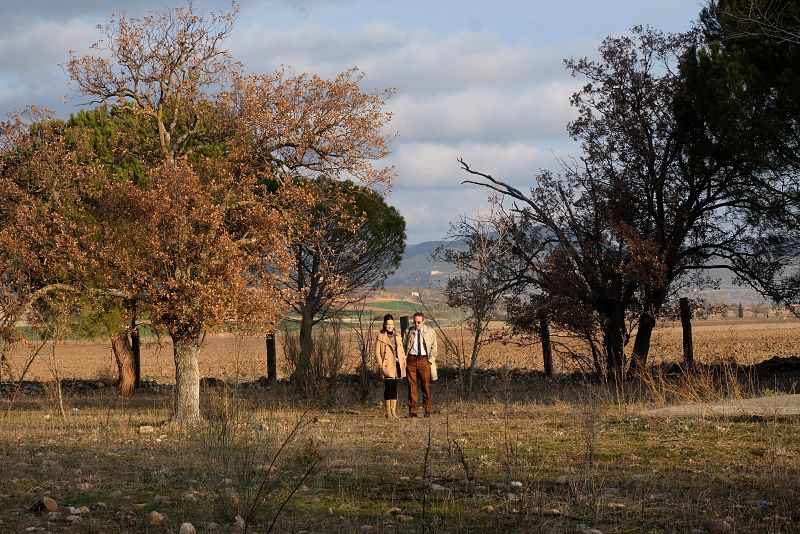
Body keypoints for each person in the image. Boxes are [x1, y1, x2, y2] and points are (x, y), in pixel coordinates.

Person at [403, 311, 437, 417]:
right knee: (412, 387)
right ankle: (413, 411)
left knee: (425, 386)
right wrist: (405, 359)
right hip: (411, 361)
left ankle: (427, 410)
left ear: (423, 321)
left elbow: (434, 347)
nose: (416, 324)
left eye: (419, 322)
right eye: (415, 322)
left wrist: (429, 361)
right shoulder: (408, 331)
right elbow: (403, 345)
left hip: (424, 361)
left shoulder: (431, 331)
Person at [374, 313, 406, 419]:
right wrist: (381, 366)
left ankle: (393, 411)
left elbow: (401, 351)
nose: (390, 326)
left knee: (395, 388)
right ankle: (388, 411)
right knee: (388, 388)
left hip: (397, 366)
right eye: (388, 324)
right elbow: (377, 353)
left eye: (391, 324)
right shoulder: (380, 337)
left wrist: (403, 362)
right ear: (384, 325)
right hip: (387, 366)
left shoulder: (398, 336)